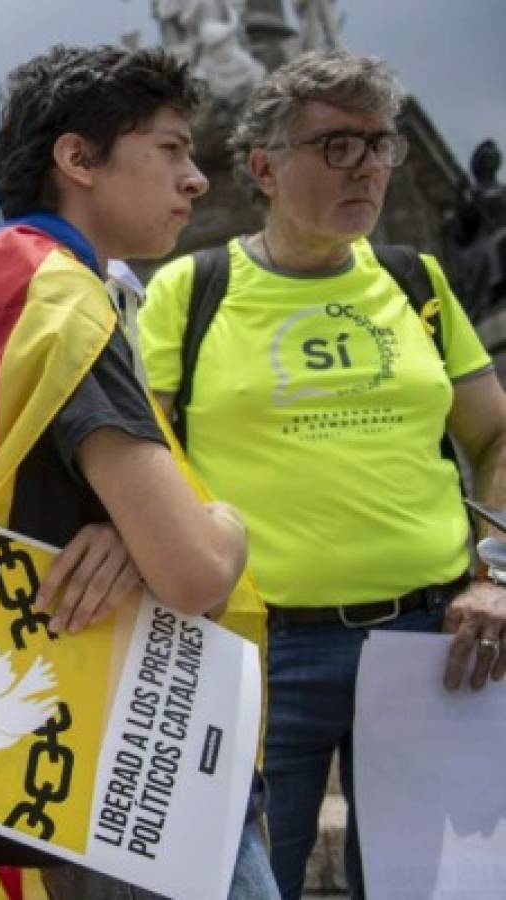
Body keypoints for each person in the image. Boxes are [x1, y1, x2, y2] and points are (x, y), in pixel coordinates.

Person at [0, 45, 275, 900]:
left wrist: (135, 533)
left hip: (68, 759)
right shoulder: (62, 298)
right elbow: (195, 570)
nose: (195, 180)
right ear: (77, 159)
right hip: (128, 763)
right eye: (169, 149)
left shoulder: (16, 284)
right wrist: (228, 525)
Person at [139, 51, 506, 900]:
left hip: (433, 645)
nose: (368, 167)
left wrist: (495, 574)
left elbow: (495, 438)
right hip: (257, 652)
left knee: (429, 886)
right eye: (337, 146)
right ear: (262, 167)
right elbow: (139, 456)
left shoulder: (417, 282)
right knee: (237, 883)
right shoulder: (188, 292)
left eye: (379, 145)